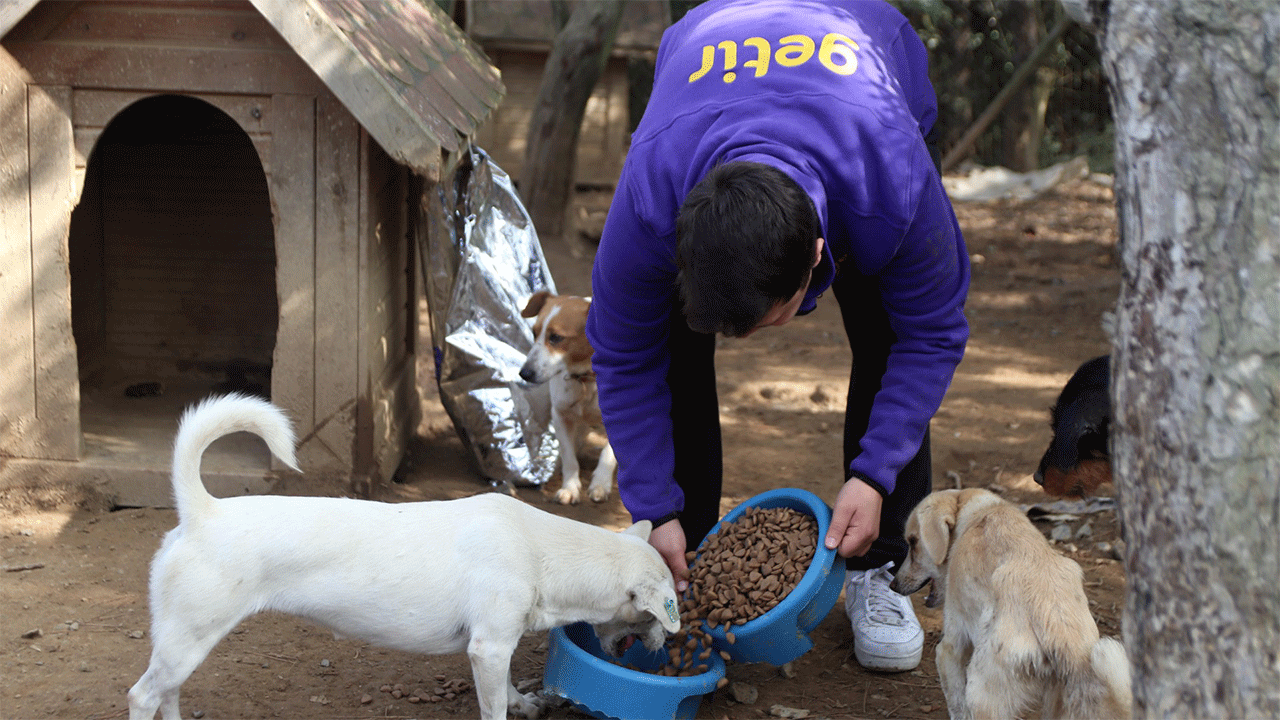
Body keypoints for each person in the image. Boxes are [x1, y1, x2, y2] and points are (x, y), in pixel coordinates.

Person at [586, 0, 969, 672]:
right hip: (702, 77)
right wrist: (653, 507)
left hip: (865, 93)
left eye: (770, 318)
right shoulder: (650, 200)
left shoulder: (893, 183)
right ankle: (684, 557)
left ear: (821, 257)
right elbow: (623, 354)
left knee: (888, 329)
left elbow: (932, 333)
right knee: (668, 345)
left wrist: (875, 475)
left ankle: (879, 570)